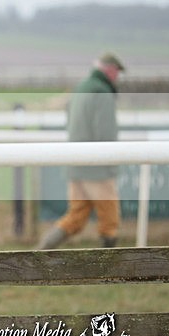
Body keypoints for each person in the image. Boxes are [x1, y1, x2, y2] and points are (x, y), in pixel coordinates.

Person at [37, 53, 126, 249]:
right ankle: (110, 270)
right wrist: (111, 165)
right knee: (109, 222)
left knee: (75, 218)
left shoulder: (80, 88)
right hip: (97, 169)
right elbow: (106, 132)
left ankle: (38, 255)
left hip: (76, 166)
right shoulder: (102, 91)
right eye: (117, 72)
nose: (117, 77)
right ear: (110, 69)